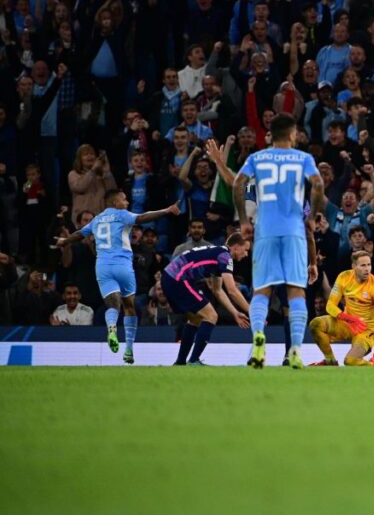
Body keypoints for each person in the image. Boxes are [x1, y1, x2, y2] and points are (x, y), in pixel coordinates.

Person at [233, 114, 325, 369]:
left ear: (270, 134)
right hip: (294, 230)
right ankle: (295, 350)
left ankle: (257, 343)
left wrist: (243, 220)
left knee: (262, 290)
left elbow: (238, 184)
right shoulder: (303, 158)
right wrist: (313, 217)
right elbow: (317, 184)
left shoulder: (256, 158)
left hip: (265, 230)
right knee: (296, 291)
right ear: (293, 133)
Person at [55, 190, 181, 363]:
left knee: (112, 305)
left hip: (103, 266)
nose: (127, 202)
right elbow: (143, 217)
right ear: (115, 203)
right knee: (129, 306)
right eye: (124, 199)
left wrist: (64, 241)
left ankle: (112, 328)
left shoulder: (96, 219)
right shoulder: (122, 215)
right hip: (122, 265)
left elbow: (79, 234)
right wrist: (167, 210)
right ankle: (128, 350)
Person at [162, 234, 251, 365]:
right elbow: (232, 291)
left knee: (196, 318)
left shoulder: (217, 254)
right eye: (246, 249)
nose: (247, 254)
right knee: (211, 316)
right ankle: (194, 360)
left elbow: (218, 290)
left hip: (170, 277)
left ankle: (181, 362)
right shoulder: (225, 257)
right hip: (178, 278)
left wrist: (235, 313)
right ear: (236, 247)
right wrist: (253, 312)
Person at [307, 251, 374, 366]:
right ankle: (330, 361)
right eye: (363, 265)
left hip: (367, 329)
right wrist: (348, 318)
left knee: (350, 361)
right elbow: (330, 305)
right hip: (348, 323)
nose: (367, 269)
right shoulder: (344, 277)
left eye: (369, 265)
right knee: (315, 324)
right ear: (354, 267)